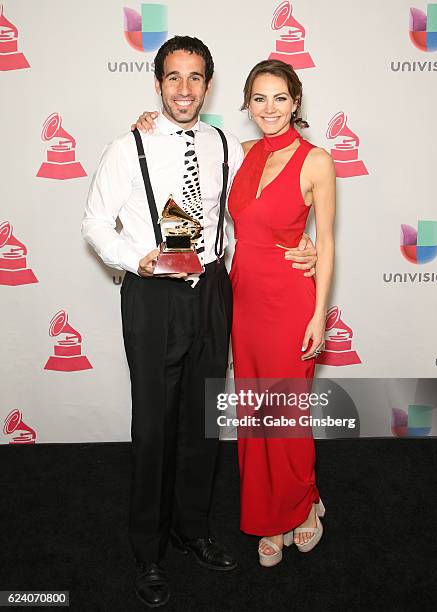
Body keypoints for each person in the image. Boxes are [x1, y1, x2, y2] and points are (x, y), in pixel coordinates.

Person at [83, 37, 318, 608]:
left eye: (194, 79)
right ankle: (149, 551)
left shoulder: (223, 144)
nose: (184, 89)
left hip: (214, 291)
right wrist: (131, 257)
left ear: (208, 85)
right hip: (153, 295)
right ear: (158, 84)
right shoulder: (126, 147)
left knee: (203, 422)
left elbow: (255, 207)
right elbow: (95, 223)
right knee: (156, 427)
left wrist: (302, 247)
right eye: (173, 78)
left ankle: (193, 531)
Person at [135, 58, 335, 569]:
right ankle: (269, 518)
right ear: (247, 104)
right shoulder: (237, 151)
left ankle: (302, 504)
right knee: (254, 409)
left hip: (290, 300)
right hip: (241, 297)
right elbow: (178, 150)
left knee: (287, 410)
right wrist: (145, 124)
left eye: (281, 98)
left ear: (296, 102)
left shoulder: (317, 161)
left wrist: (319, 314)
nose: (270, 109)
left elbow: (327, 243)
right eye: (260, 99)